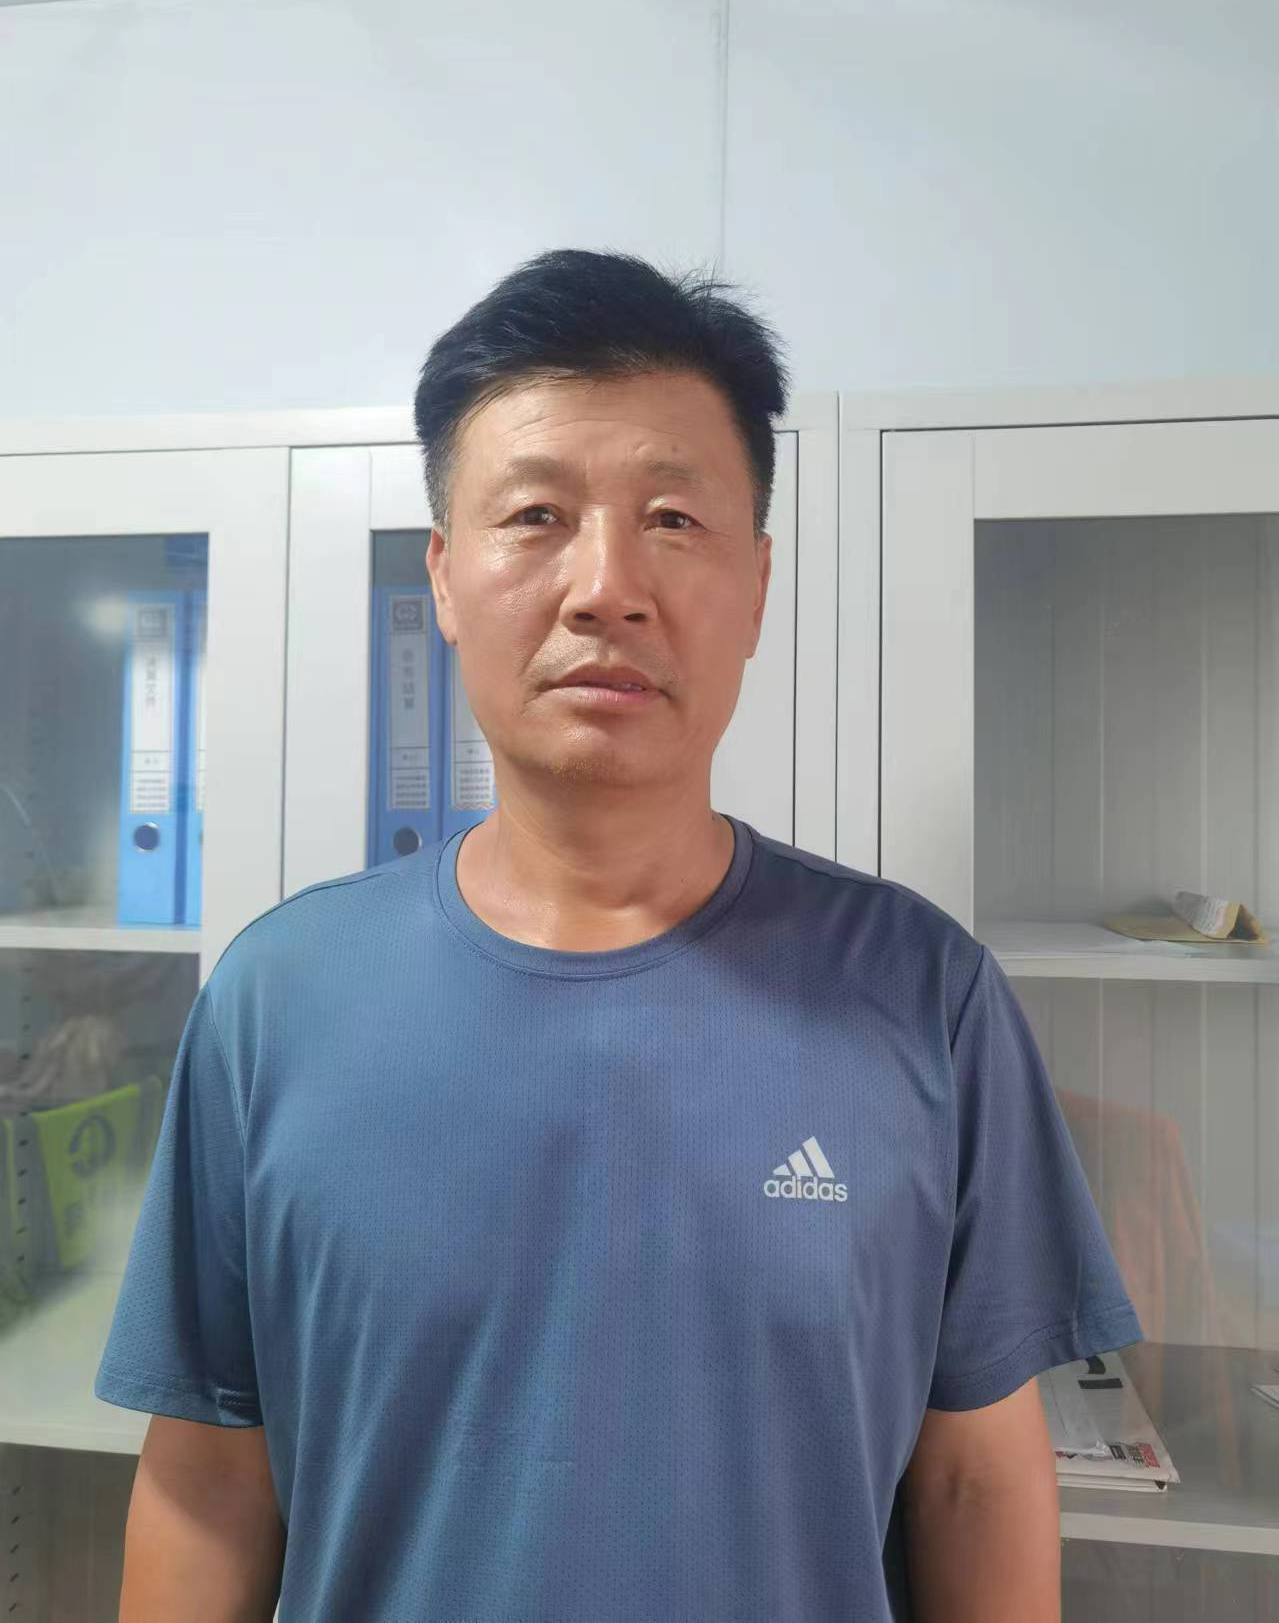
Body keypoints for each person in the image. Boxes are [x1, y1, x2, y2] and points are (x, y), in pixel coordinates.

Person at [95, 248, 1143, 1622]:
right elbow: (209, 1483)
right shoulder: (276, 1001)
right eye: (536, 514)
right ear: (444, 578)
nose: (606, 587)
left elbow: (974, 1480)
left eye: (671, 517)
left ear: (757, 584)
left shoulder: (923, 994)